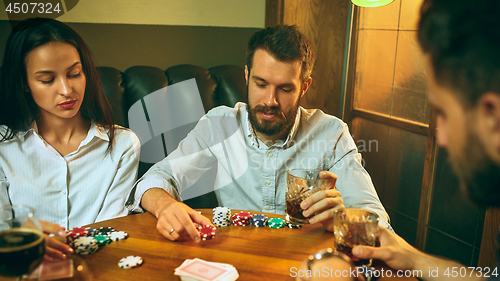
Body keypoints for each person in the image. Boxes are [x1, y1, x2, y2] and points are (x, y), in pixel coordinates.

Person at [127, 25, 389, 242]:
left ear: (304, 86)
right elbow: (157, 179)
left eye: (285, 89)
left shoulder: (331, 134)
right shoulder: (218, 124)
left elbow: (378, 224)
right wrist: (164, 205)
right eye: (261, 84)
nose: (270, 101)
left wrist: (341, 220)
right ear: (246, 75)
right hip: (236, 260)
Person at [300, 0, 500, 280]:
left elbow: (371, 214)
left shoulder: (332, 130)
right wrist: (413, 258)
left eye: (442, 112)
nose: (440, 136)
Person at [0, 18, 141, 258]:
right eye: (47, 80)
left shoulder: (123, 145)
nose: (66, 90)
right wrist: (20, 240)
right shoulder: (4, 145)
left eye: (74, 73)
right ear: (24, 83)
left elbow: (110, 230)